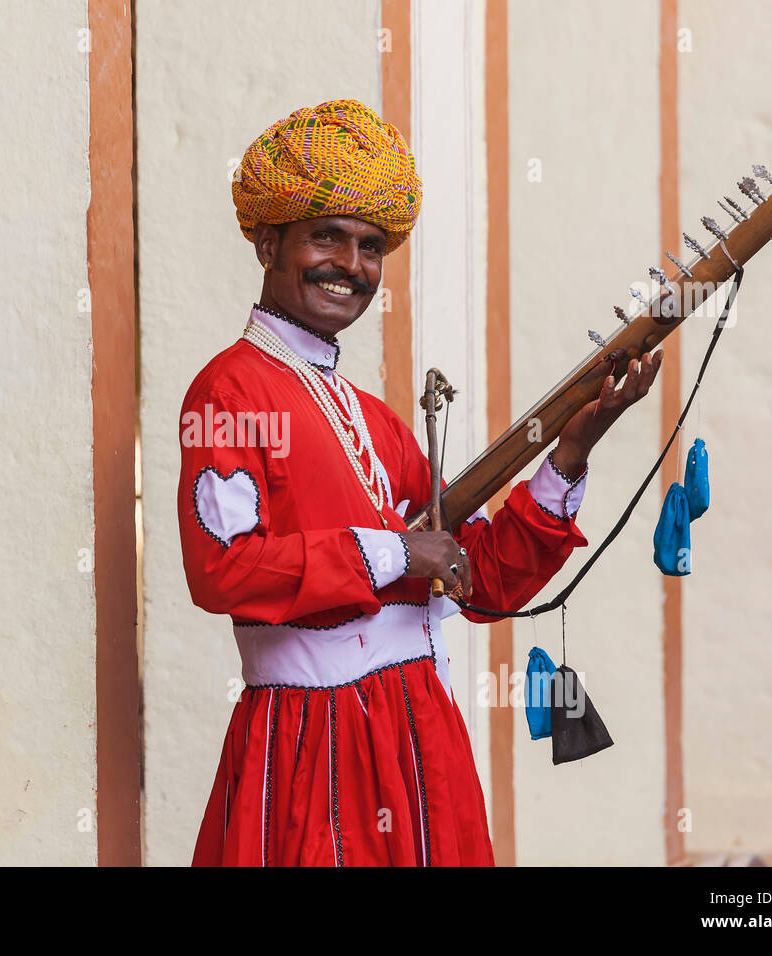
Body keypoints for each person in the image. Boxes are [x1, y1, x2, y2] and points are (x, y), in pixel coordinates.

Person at [177, 99, 662, 866]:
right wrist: (397, 556)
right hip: (315, 748)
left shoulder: (377, 421)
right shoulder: (229, 392)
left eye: (372, 246)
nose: (352, 265)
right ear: (269, 241)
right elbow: (222, 571)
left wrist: (570, 453)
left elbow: (485, 580)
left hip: (420, 740)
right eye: (327, 235)